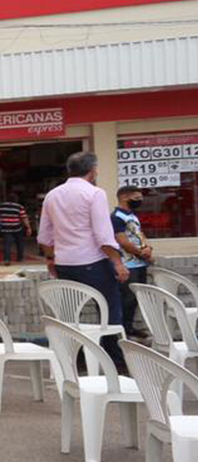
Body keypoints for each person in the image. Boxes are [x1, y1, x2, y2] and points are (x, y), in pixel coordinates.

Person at [37, 152, 129, 372]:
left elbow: (44, 236)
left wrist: (51, 258)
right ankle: (114, 361)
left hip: (65, 263)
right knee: (109, 311)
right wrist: (117, 263)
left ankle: (75, 359)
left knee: (70, 313)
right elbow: (104, 236)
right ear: (93, 170)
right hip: (93, 261)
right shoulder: (95, 193)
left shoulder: (52, 195)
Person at [111, 185, 154, 341]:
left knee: (135, 298)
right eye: (136, 198)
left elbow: (139, 234)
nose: (140, 201)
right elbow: (121, 240)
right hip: (127, 265)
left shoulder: (132, 216)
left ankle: (129, 327)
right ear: (124, 197)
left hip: (140, 263)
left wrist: (148, 248)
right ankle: (123, 331)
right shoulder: (116, 217)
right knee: (127, 299)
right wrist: (140, 252)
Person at [0, 194, 31, 264]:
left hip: (5, 228)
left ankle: (7, 259)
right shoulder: (19, 207)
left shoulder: (1, 206)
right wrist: (28, 227)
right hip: (17, 228)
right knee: (20, 243)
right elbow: (23, 218)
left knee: (7, 244)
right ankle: (20, 258)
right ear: (16, 199)